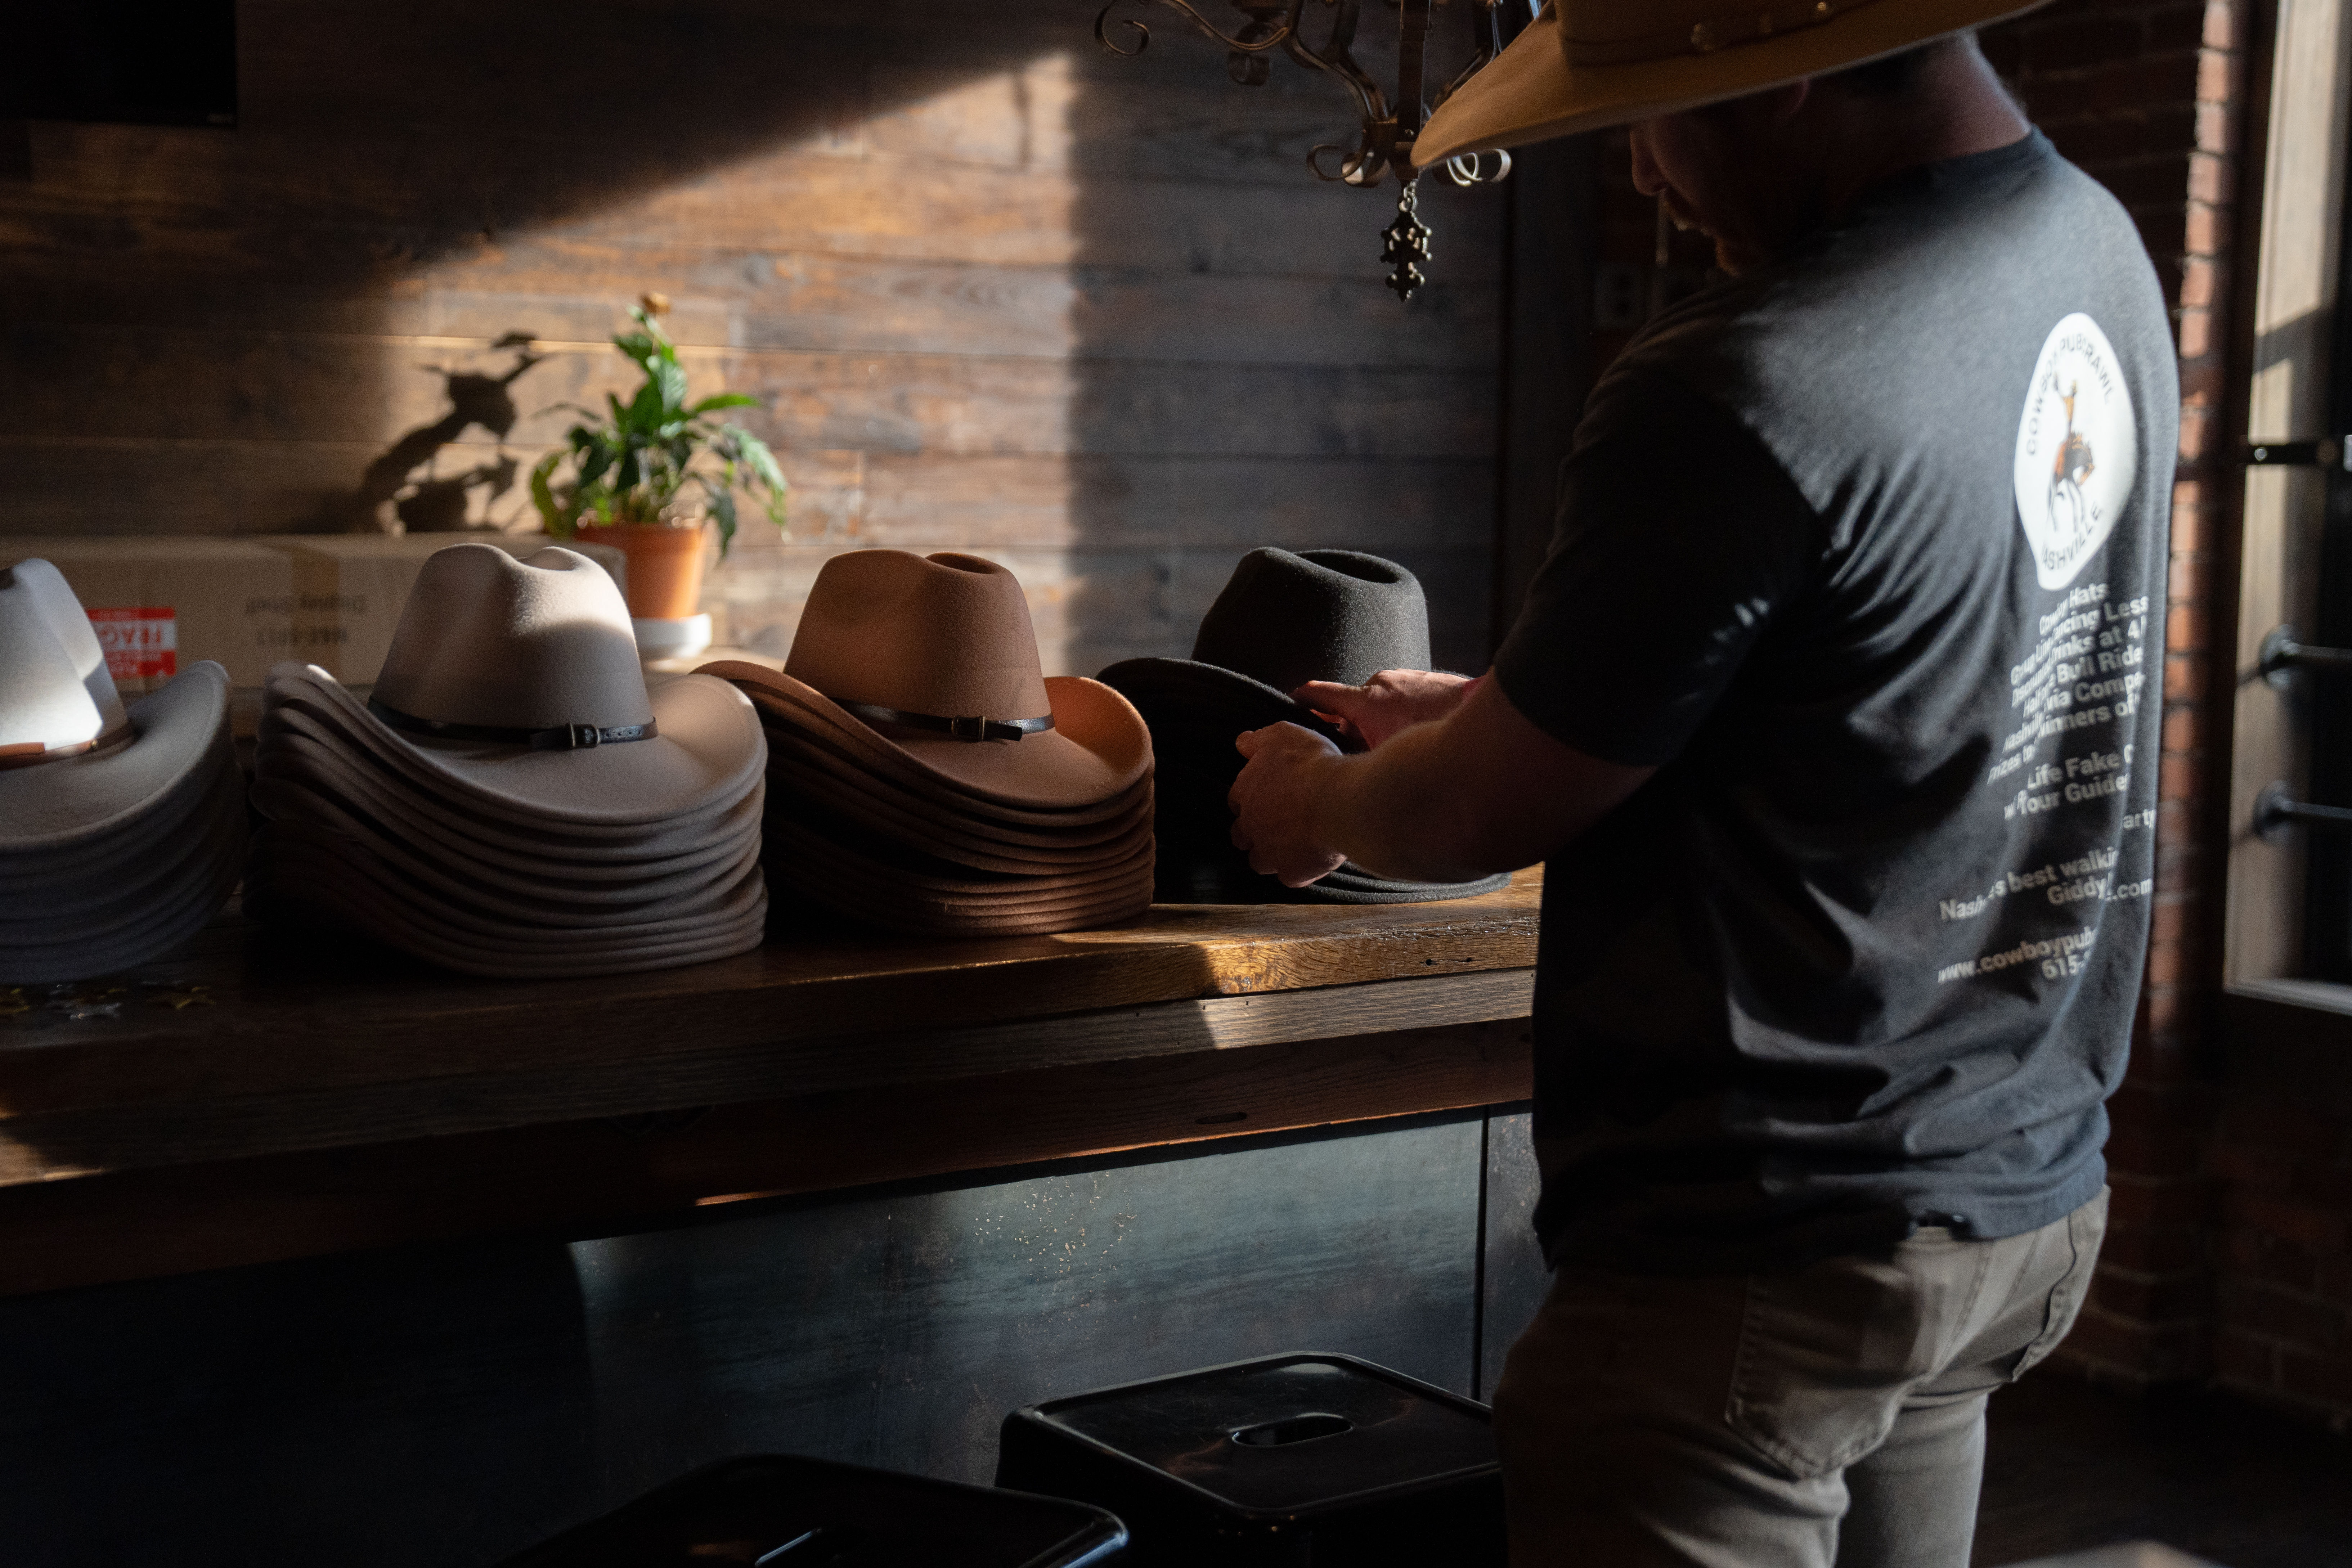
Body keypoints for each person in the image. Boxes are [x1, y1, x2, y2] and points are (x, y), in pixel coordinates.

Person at [1224, 1, 2177, 1563]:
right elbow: (1933, 670)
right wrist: (1505, 708)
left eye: (1650, 115)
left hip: (1763, 1262)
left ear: (1778, 77)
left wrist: (1319, 804)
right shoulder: (2090, 247)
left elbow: (1472, 818)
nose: (1650, 174)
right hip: (2012, 1200)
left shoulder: (1741, 377)